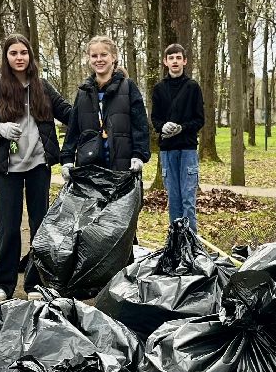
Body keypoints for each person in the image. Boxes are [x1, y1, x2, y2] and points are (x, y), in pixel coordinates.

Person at [0, 33, 72, 303]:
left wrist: (97, 114)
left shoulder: (42, 86)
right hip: (8, 168)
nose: (19, 58)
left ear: (30, 56)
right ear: (6, 58)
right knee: (7, 225)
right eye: (13, 53)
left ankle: (35, 283)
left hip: (38, 165)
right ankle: (4, 284)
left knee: (40, 225)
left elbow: (67, 112)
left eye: (24, 53)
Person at [61, 35, 150, 182]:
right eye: (94, 56)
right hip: (89, 168)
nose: (99, 59)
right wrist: (67, 159)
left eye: (104, 54)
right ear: (89, 59)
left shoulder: (128, 87)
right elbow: (73, 129)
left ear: (113, 57)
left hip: (123, 167)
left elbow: (140, 125)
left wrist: (139, 155)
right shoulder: (83, 93)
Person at [150, 43, 204, 232]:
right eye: (171, 58)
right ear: (165, 62)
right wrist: (162, 126)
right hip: (167, 151)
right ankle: (176, 242)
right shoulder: (159, 89)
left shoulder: (192, 87)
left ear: (185, 61)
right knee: (173, 200)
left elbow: (199, 120)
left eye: (178, 58)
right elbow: (154, 118)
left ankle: (191, 243)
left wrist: (182, 128)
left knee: (188, 199)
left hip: (188, 149)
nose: (175, 61)